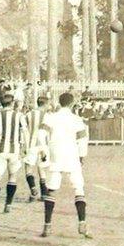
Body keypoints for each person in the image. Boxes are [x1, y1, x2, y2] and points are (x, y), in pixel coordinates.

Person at [38, 93, 90, 238]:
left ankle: (47, 226)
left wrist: (44, 151)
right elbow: (82, 140)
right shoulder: (77, 119)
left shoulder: (51, 117)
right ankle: (82, 223)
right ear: (72, 103)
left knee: (52, 189)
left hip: (55, 154)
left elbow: (41, 134)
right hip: (71, 155)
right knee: (79, 188)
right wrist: (81, 156)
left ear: (60, 103)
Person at [0, 94, 29, 215]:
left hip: (0, 150)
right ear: (12, 103)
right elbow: (25, 132)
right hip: (14, 151)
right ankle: (8, 205)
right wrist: (26, 148)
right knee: (12, 177)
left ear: (1, 103)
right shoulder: (19, 115)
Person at [23, 97, 51, 202]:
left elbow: (24, 131)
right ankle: (44, 193)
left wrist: (24, 145)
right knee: (42, 169)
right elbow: (45, 133)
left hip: (31, 145)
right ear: (45, 104)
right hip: (43, 145)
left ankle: (33, 188)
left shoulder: (28, 114)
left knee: (28, 168)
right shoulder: (47, 116)